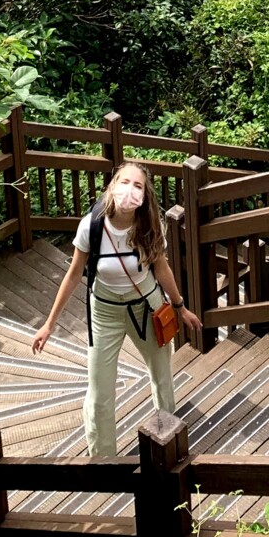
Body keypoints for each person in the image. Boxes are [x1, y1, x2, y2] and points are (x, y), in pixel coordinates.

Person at [30, 162, 203, 456]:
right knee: (100, 392)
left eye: (138, 186)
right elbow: (74, 273)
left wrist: (180, 307)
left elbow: (161, 268)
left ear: (145, 195)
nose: (130, 191)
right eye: (124, 182)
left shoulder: (149, 225)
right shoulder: (92, 225)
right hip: (105, 312)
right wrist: (49, 324)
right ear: (112, 186)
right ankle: (103, 459)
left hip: (147, 307)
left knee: (162, 375)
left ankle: (168, 440)